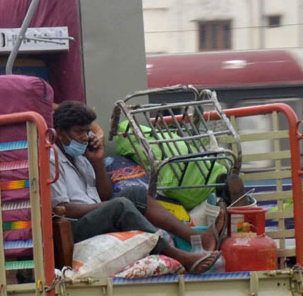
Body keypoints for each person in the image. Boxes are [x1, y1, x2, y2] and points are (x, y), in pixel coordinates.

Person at [50, 101, 224, 273]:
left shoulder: (81, 158)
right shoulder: (51, 159)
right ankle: (180, 256)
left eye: (87, 131)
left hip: (94, 216)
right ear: (59, 132)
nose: (85, 137)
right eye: (79, 132)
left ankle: (196, 236)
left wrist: (98, 162)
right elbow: (62, 209)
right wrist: (107, 207)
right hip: (75, 226)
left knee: (136, 193)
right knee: (120, 205)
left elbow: (105, 195)